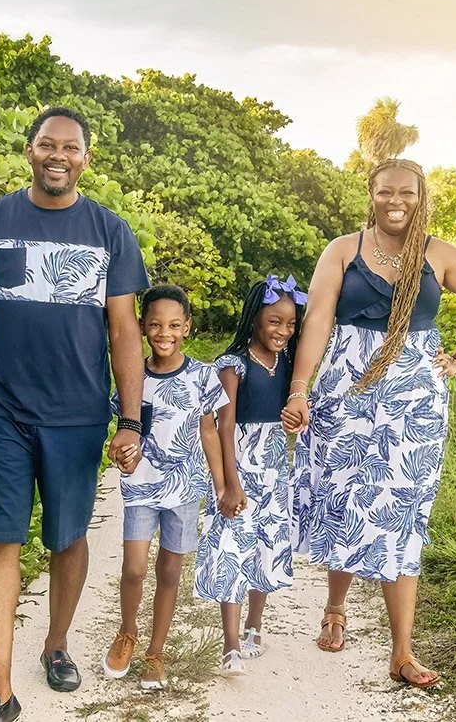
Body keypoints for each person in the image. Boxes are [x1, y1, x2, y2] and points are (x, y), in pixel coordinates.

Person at [0, 106, 149, 720]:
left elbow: (123, 330)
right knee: (0, 540)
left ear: (86, 158)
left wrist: (130, 420)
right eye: (47, 144)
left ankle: (56, 643)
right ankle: (0, 692)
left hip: (77, 415)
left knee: (67, 537)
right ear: (30, 150)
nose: (58, 155)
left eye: (71, 147)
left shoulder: (109, 231)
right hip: (2, 410)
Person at [282, 158, 456, 688]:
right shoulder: (343, 250)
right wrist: (299, 389)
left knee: (403, 513)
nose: (396, 202)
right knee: (343, 501)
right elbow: (317, 320)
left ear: (420, 196)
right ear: (372, 194)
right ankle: (335, 609)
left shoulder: (439, 254)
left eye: (406, 193)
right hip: (345, 391)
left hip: (414, 402)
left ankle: (402, 651)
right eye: (386, 192)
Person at [100, 284, 229, 690]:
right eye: (155, 325)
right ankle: (127, 632)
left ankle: (156, 651)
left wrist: (222, 486)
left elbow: (209, 432)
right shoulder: (132, 376)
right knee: (134, 568)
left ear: (187, 327)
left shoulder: (203, 376)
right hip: (141, 487)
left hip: (185, 491)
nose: (164, 333)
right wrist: (116, 453)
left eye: (174, 325)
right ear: (142, 326)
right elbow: (121, 432)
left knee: (170, 570)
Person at [193, 275, 306, 675]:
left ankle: (254, 627)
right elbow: (223, 427)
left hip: (274, 467)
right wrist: (230, 483)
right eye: (274, 322)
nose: (283, 331)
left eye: (290, 324)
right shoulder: (233, 365)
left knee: (266, 546)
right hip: (239, 464)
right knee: (233, 549)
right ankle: (231, 646)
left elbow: (290, 410)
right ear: (255, 319)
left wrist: (293, 420)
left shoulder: (288, 363)